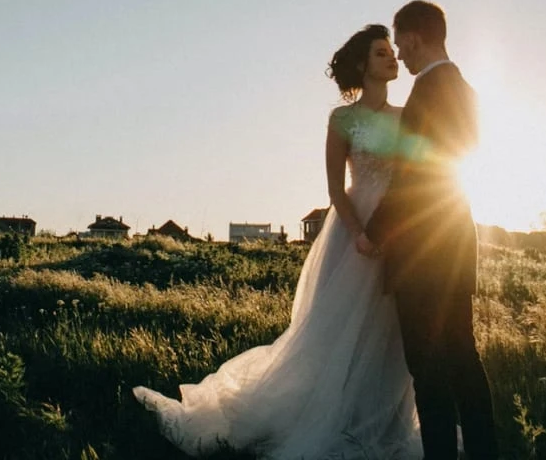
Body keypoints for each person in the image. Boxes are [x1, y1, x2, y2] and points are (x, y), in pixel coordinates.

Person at [132, 24, 422, 459]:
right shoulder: (342, 119)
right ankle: (335, 418)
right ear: (362, 64)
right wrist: (359, 234)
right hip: (354, 233)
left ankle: (385, 423)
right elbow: (336, 189)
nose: (392, 58)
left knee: (394, 332)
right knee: (340, 333)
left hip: (399, 228)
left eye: (391, 52)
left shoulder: (407, 115)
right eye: (382, 53)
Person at [366, 1, 498, 460]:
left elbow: (413, 177)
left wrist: (373, 230)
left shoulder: (426, 92)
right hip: (456, 241)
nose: (399, 54)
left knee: (427, 367)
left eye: (400, 43)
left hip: (422, 251)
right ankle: (483, 452)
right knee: (463, 357)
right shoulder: (465, 89)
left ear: (414, 37)